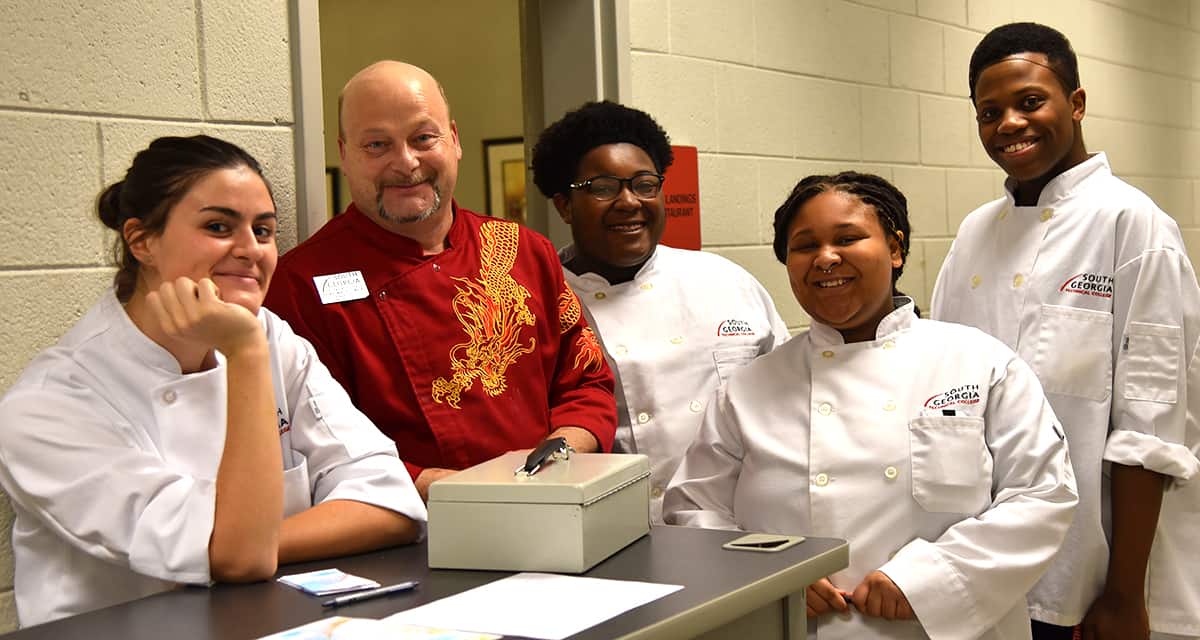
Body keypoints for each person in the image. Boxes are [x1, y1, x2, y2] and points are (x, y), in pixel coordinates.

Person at [0, 135, 428, 627]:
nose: (250, 250)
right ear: (142, 241)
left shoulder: (272, 336)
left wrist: (249, 537)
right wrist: (245, 354)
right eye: (219, 226)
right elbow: (239, 559)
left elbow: (392, 501)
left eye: (264, 231)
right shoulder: (49, 405)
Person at [664, 172, 1078, 640]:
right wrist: (770, 574)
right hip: (795, 624)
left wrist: (927, 580)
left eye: (847, 238)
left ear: (896, 248)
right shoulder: (749, 387)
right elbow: (693, 510)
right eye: (805, 246)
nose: (825, 258)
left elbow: (1042, 494)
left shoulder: (980, 362)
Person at [931, 23, 1200, 640]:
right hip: (985, 562)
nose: (1010, 124)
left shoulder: (1134, 226)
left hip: (1097, 575)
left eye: (1030, 102)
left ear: (1076, 103)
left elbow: (1150, 429)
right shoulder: (975, 232)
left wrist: (1125, 595)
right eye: (989, 112)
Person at [263, 61, 616, 500]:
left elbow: (586, 382)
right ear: (344, 154)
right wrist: (461, 492)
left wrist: (555, 457)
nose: (405, 162)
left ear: (454, 139)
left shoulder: (526, 251)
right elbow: (312, 445)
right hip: (401, 535)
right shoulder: (298, 286)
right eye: (377, 145)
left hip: (554, 504)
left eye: (422, 138)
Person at [530, 101, 789, 521]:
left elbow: (788, 400)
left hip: (737, 528)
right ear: (563, 205)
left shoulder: (726, 282)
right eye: (602, 187)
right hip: (607, 538)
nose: (629, 202)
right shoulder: (541, 300)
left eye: (645, 184)